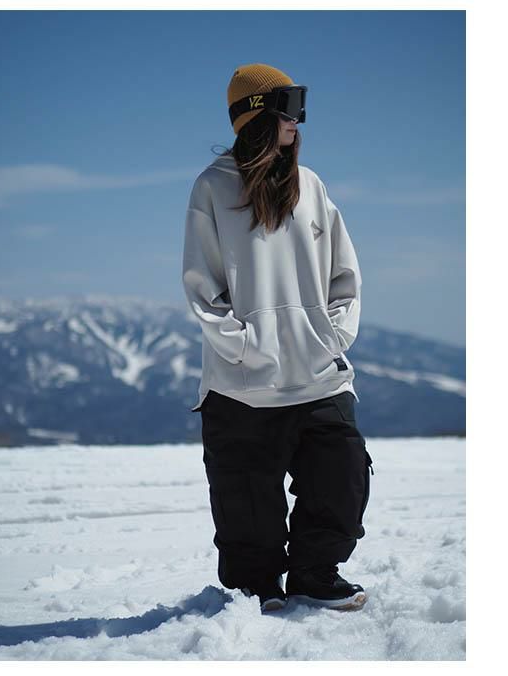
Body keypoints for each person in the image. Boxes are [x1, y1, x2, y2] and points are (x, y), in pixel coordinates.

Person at [181, 63, 374, 613]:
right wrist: (246, 348)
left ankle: (315, 575)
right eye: (289, 106)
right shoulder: (213, 187)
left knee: (341, 479)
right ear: (257, 115)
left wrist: (331, 337)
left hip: (319, 376)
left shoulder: (310, 186)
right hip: (242, 385)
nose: (298, 120)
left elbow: (344, 276)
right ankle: (256, 588)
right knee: (247, 507)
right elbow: (202, 287)